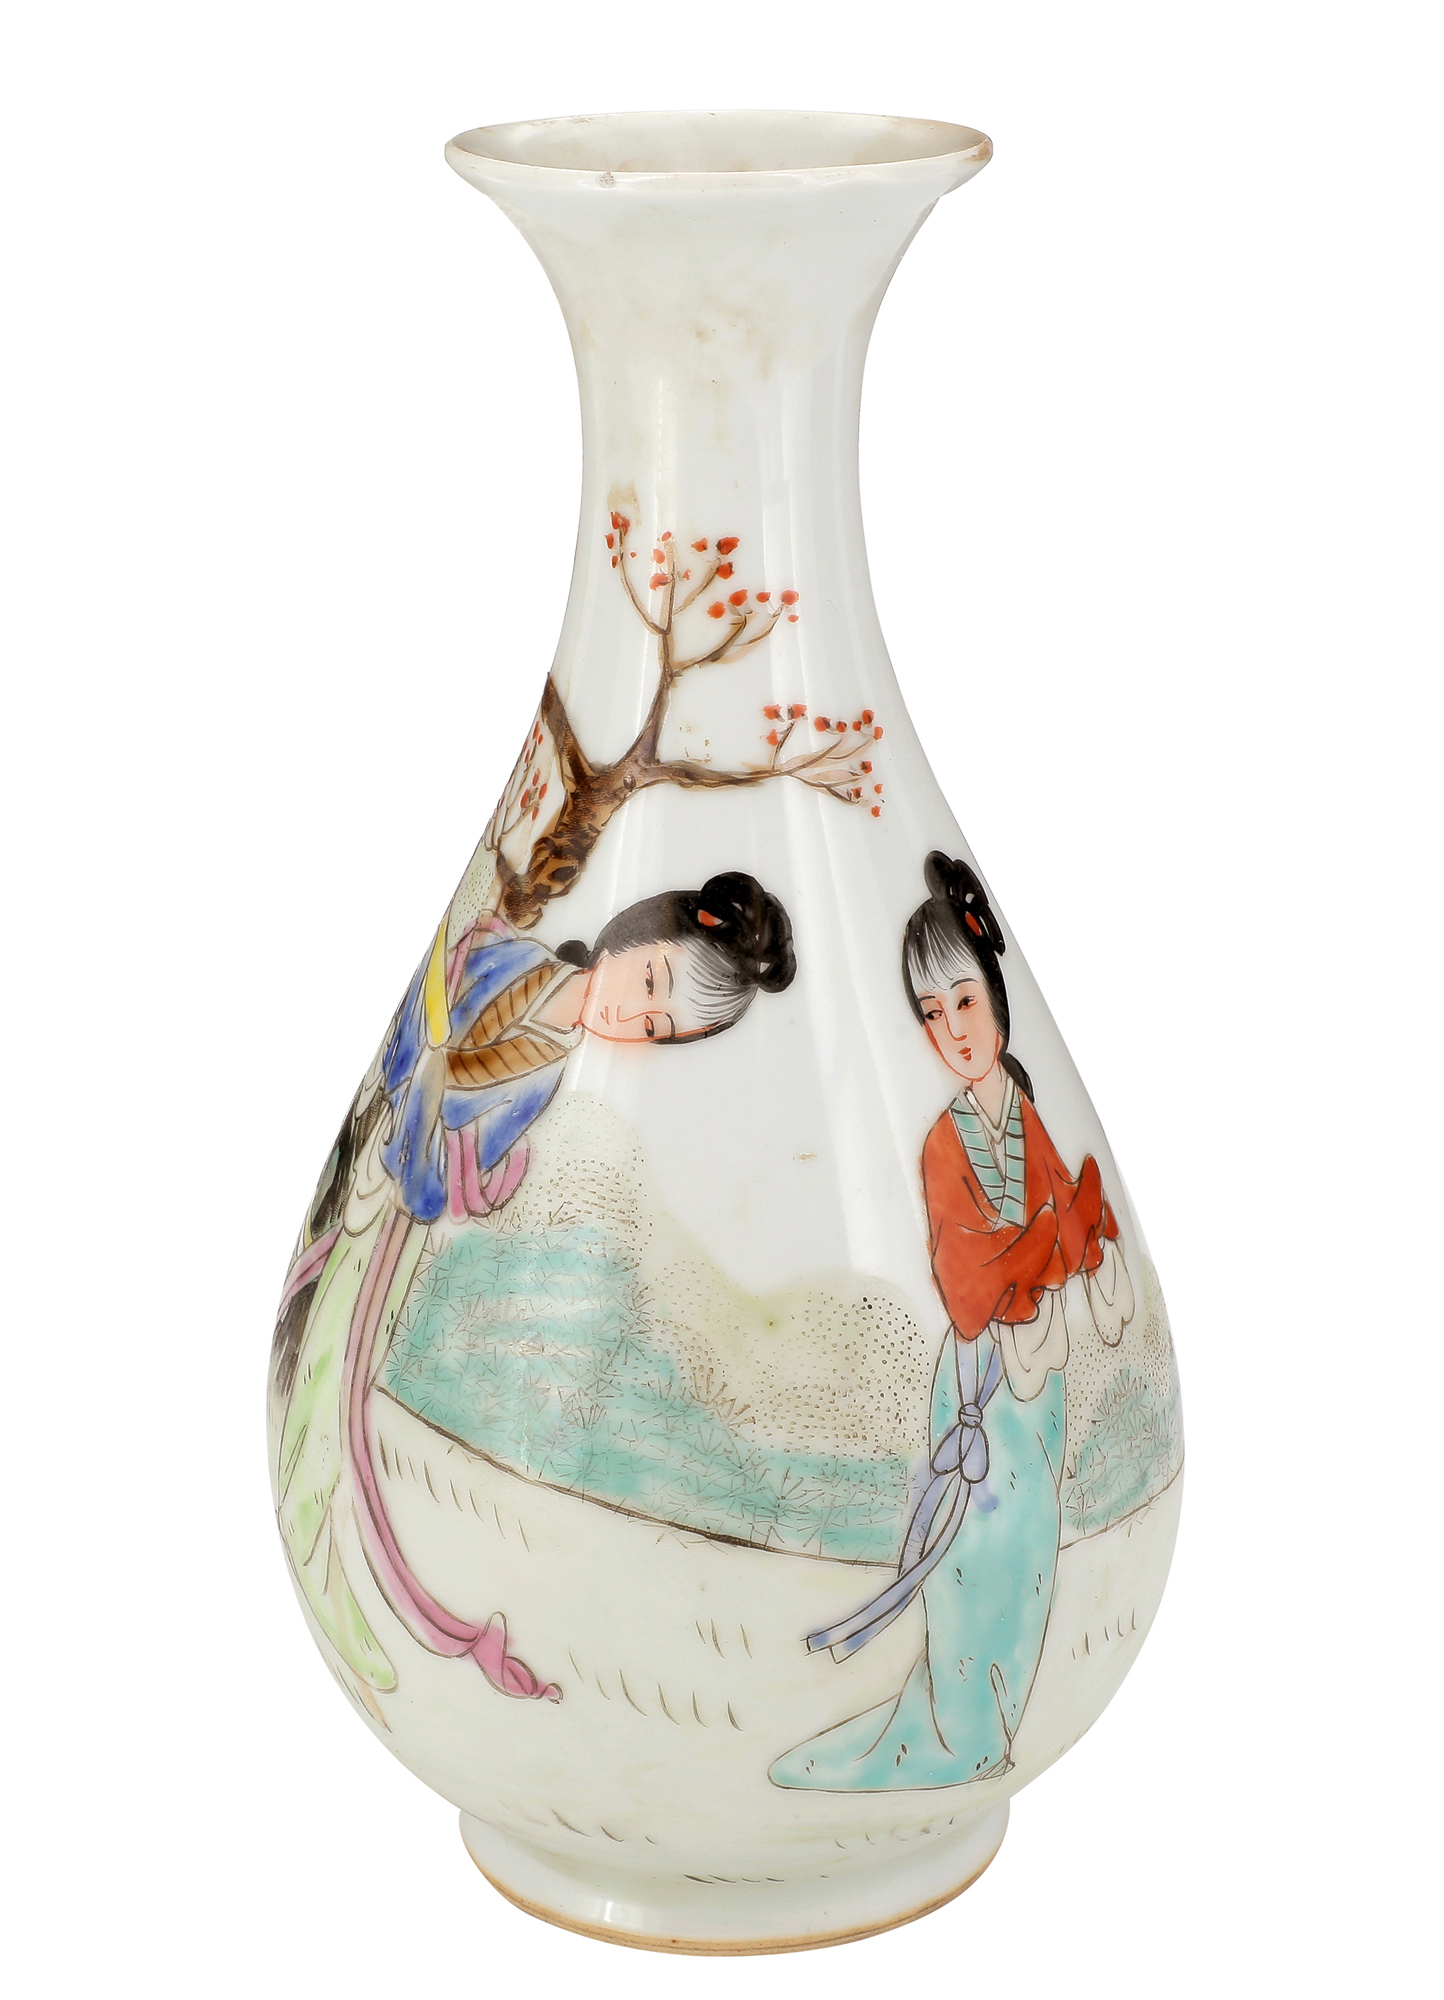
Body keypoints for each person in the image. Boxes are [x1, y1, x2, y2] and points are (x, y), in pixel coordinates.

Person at [273, 873, 795, 1709]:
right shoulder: (500, 955)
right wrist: (439, 1125)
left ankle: (386, 1599)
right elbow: (425, 1052)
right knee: (330, 1375)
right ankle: (347, 1572)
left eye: (656, 1027)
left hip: (405, 1213)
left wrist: (485, 1177)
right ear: (632, 935)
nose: (632, 1014)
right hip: (383, 1199)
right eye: (651, 981)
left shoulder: (549, 1073)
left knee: (345, 1384)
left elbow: (470, 1167)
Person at [770, 853, 1130, 1792]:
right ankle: (955, 1732)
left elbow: (1074, 1222)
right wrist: (1051, 1240)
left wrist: (1070, 1236)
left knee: (1028, 1556)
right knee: (971, 1566)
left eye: (963, 1002)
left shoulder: (1030, 1117)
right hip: (978, 1386)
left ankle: (995, 1730)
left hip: (1037, 1386)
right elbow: (966, 1283)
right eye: (931, 1014)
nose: (951, 1030)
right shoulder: (941, 1142)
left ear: (997, 1001)